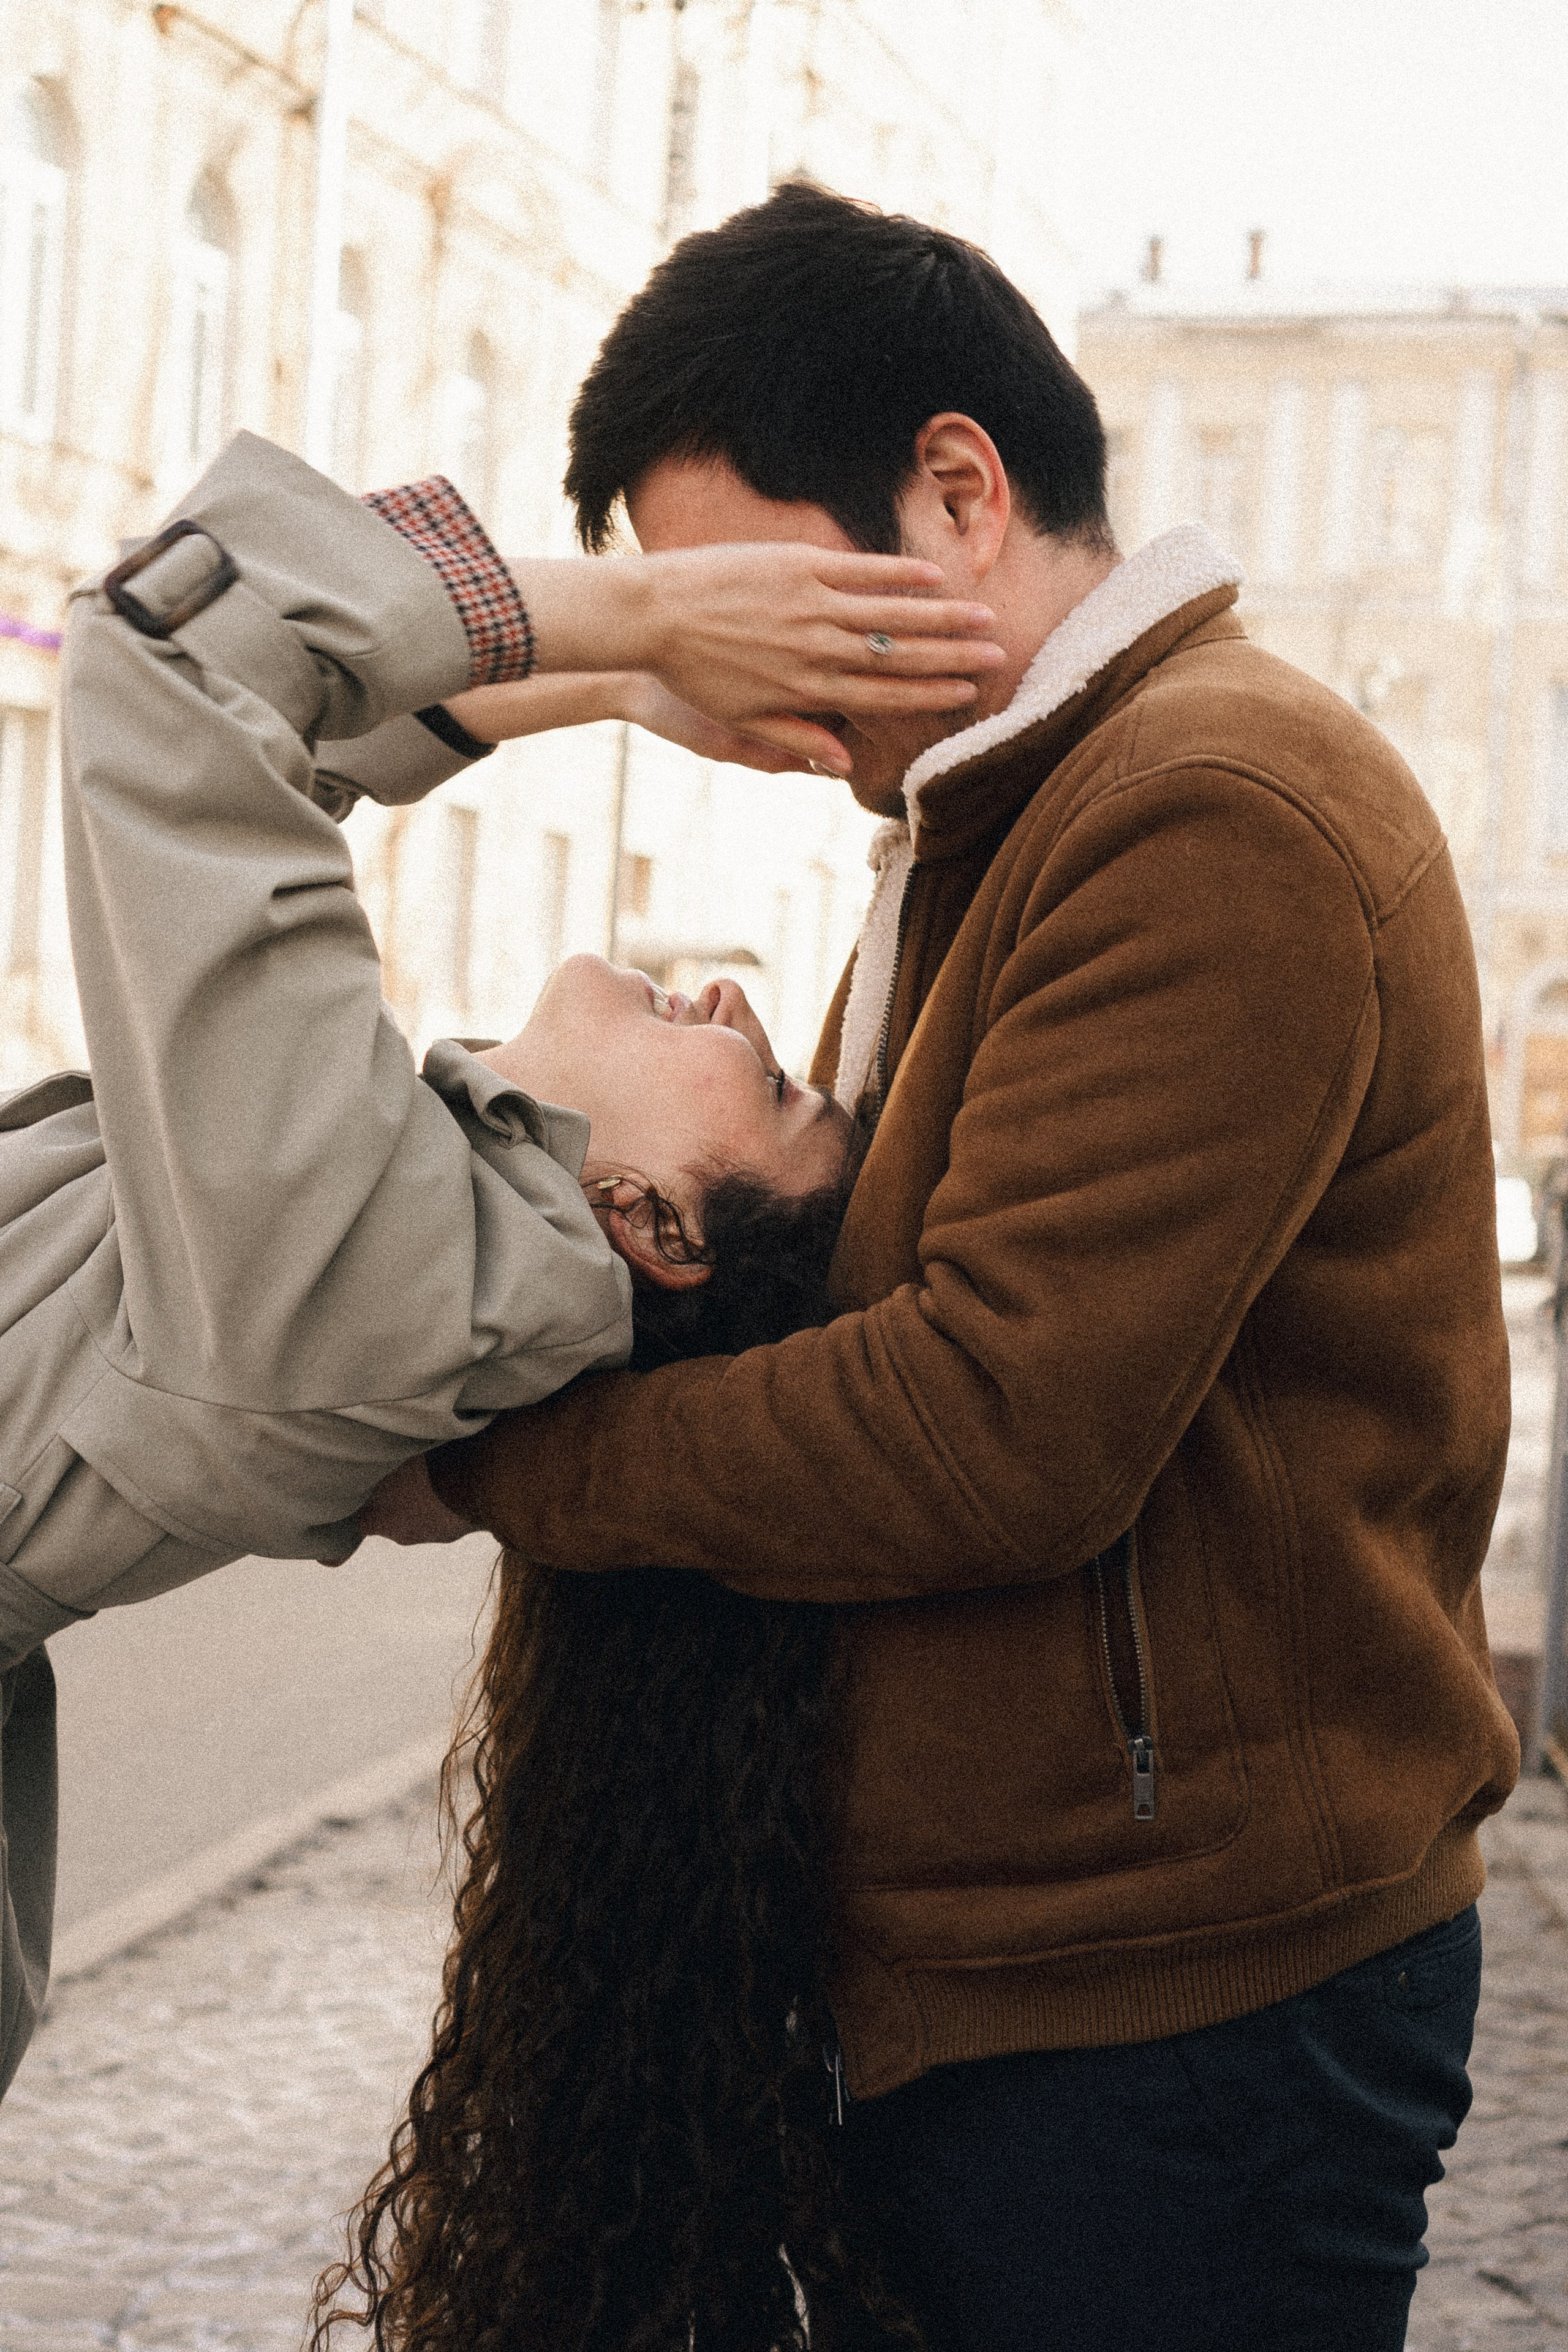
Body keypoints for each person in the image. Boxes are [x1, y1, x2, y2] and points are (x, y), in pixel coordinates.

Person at [364, 183, 1521, 2352]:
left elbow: (993, 1424)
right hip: (1042, 1971)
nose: (758, 692)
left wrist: (496, 1471)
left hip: (1171, 2001)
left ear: (959, 491)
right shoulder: (1001, 821)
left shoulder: (1210, 804)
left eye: (756, 598)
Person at [0, 424, 1005, 2101]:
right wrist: (620, 685)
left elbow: (172, 654)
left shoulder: (375, 1274)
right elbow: (260, 734)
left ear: (654, 1226)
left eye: (766, 1085)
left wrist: (638, 616)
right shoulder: (425, 1246)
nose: (735, 1001)